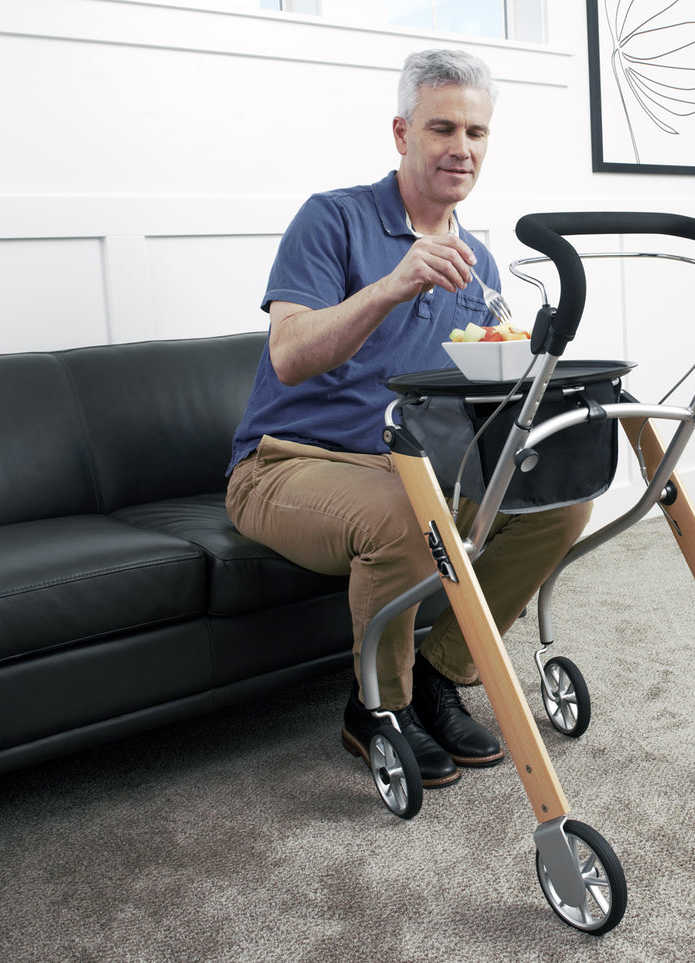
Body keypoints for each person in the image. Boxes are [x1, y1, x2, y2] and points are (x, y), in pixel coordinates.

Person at [225, 49, 592, 789]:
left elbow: (477, 389)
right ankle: (377, 707)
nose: (461, 148)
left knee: (559, 502)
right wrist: (390, 287)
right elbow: (291, 354)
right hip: (287, 464)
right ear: (401, 133)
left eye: (477, 133)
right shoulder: (332, 219)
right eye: (442, 128)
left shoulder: (478, 262)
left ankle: (436, 672)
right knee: (408, 516)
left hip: (410, 464)